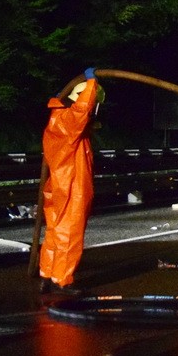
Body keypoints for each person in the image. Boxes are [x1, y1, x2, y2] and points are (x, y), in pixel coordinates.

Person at [38, 68, 103, 296]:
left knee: (55, 234)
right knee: (68, 235)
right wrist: (91, 85)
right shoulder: (68, 122)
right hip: (71, 187)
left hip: (59, 186)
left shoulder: (60, 122)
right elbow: (81, 112)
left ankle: (48, 274)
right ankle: (61, 281)